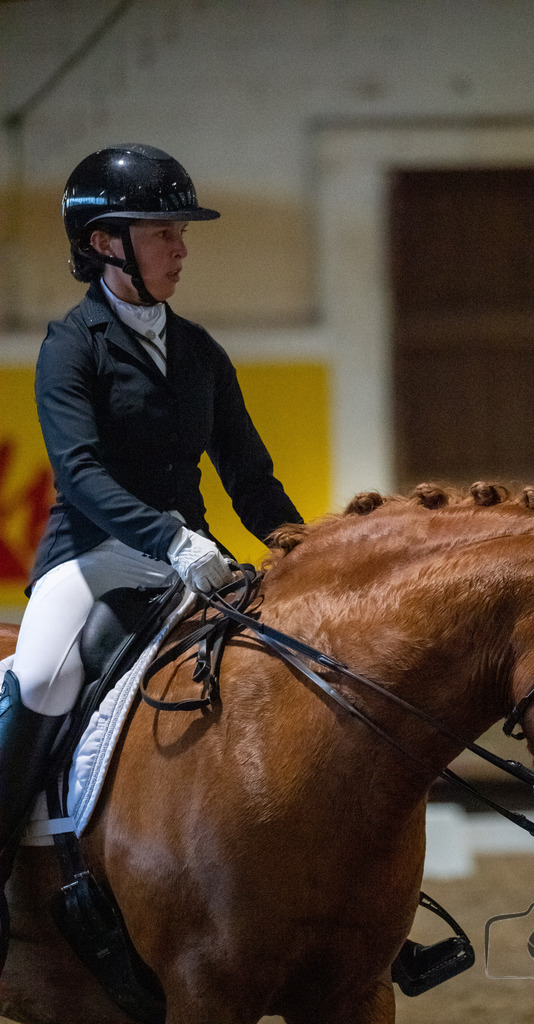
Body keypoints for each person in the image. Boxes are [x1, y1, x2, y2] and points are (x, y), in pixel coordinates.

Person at [0, 144, 302, 926]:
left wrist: (307, 554)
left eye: (180, 232)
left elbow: (250, 478)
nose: (180, 249)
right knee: (39, 677)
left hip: (191, 562)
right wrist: (168, 540)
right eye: (162, 232)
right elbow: (80, 476)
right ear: (107, 242)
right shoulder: (73, 345)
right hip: (94, 555)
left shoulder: (199, 350)